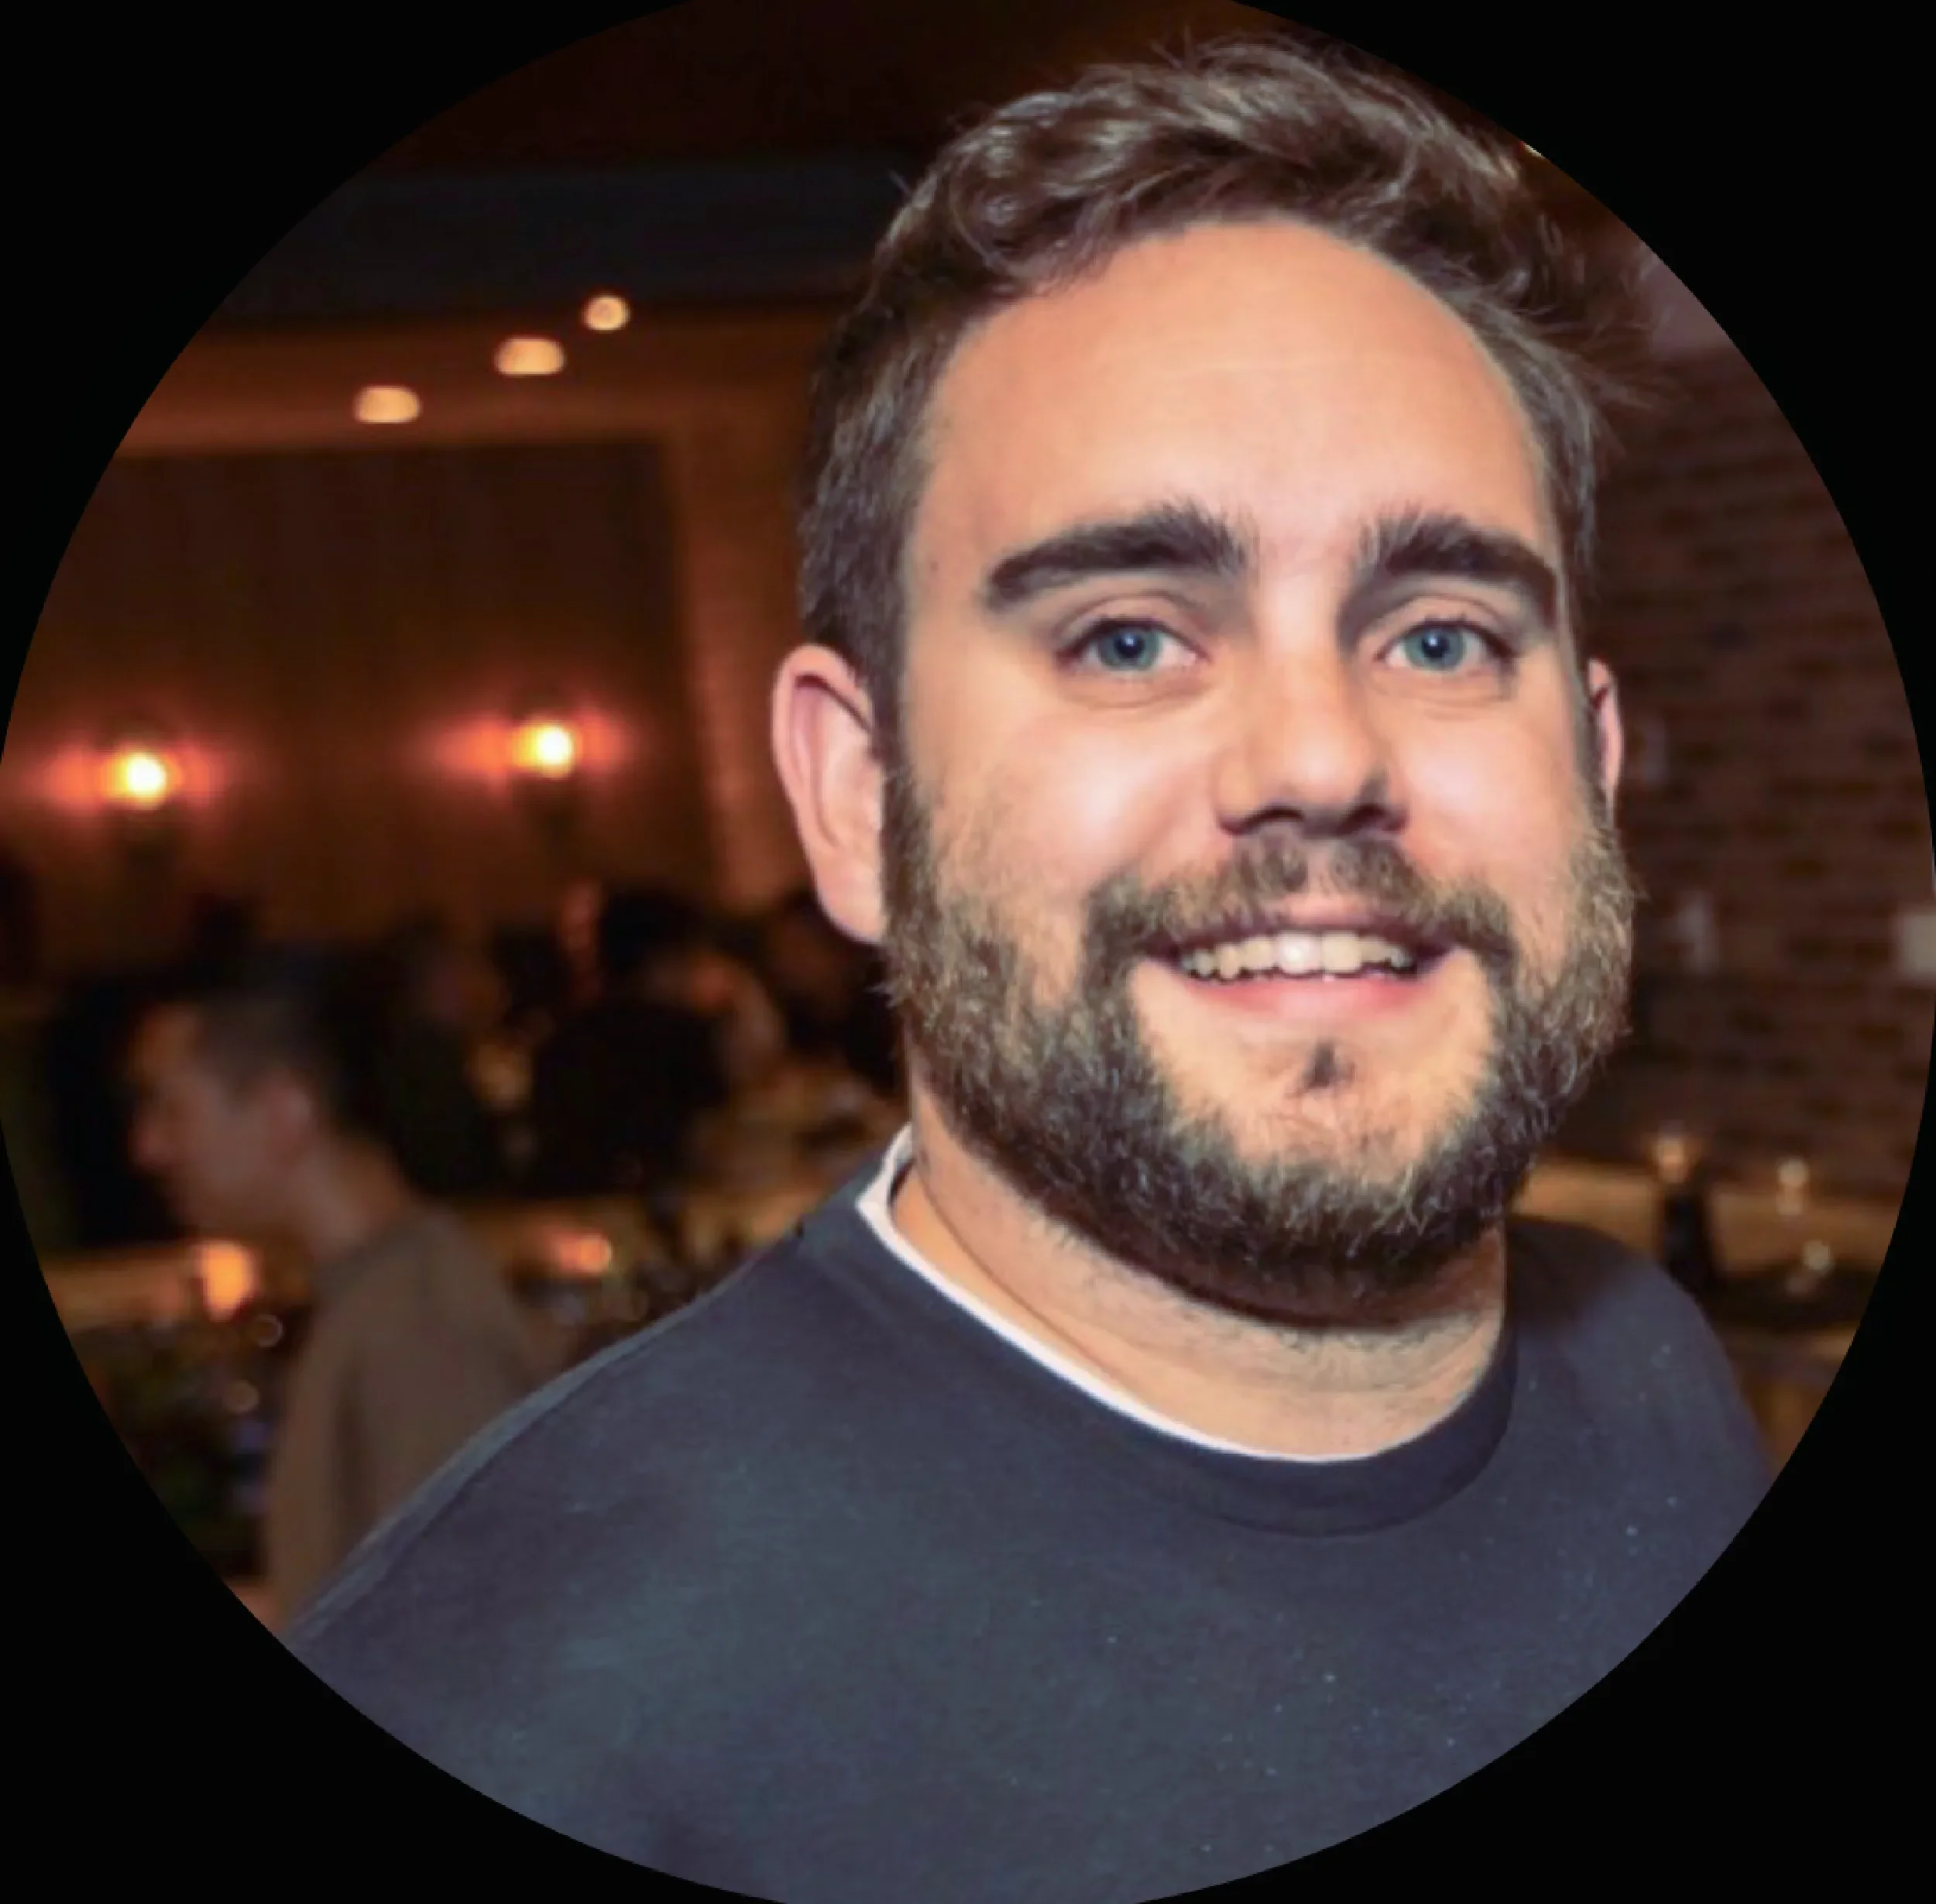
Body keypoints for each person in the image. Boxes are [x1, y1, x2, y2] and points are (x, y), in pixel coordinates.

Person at [286, 35, 1770, 1896]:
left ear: (1596, 766)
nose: (1322, 754)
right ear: (855, 798)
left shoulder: (1650, 1378)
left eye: (1444, 635)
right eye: (1128, 637)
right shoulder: (522, 1702)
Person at [126, 945, 558, 1628]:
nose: (147, 1147)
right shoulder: (374, 1301)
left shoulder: (419, 1332)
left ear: (285, 1112)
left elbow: (452, 1633)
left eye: (171, 1110)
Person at [523, 885, 735, 1196]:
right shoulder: (683, 1034)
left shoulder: (559, 1040)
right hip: (665, 1202)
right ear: (664, 961)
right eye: (691, 960)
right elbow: (712, 1140)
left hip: (573, 1207)